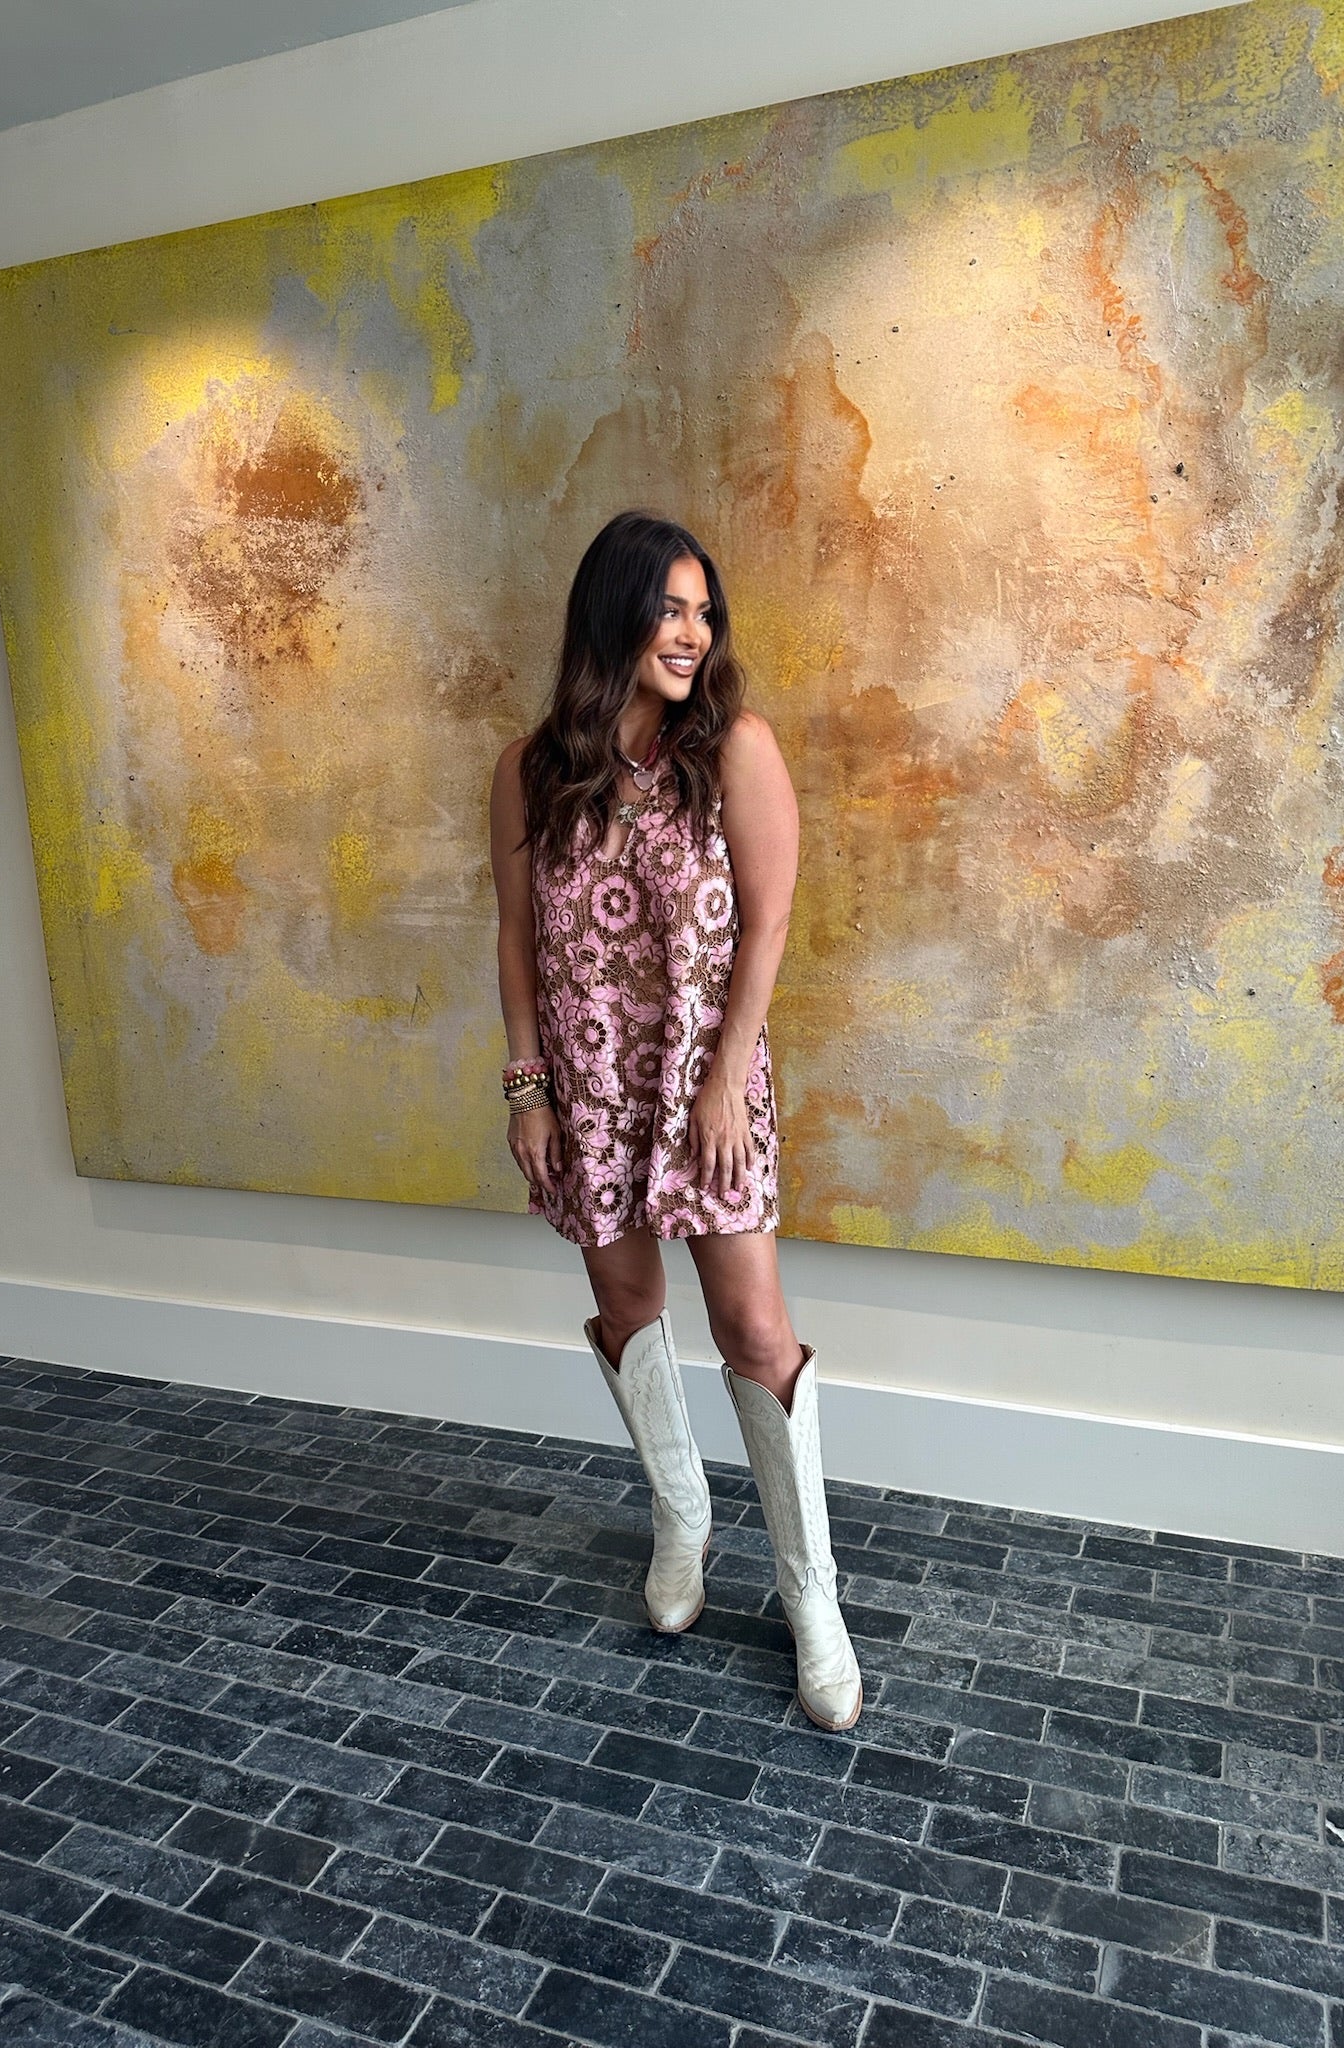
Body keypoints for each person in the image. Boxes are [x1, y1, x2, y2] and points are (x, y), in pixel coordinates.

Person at [488, 509, 862, 1733]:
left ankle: (810, 1592)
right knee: (628, 1304)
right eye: (671, 608)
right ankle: (682, 1514)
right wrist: (529, 1086)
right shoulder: (530, 770)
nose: (694, 632)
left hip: (705, 1085)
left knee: (753, 1327)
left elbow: (768, 921)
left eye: (706, 612)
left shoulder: (734, 748)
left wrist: (724, 1077)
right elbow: (517, 936)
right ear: (614, 614)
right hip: (588, 1088)